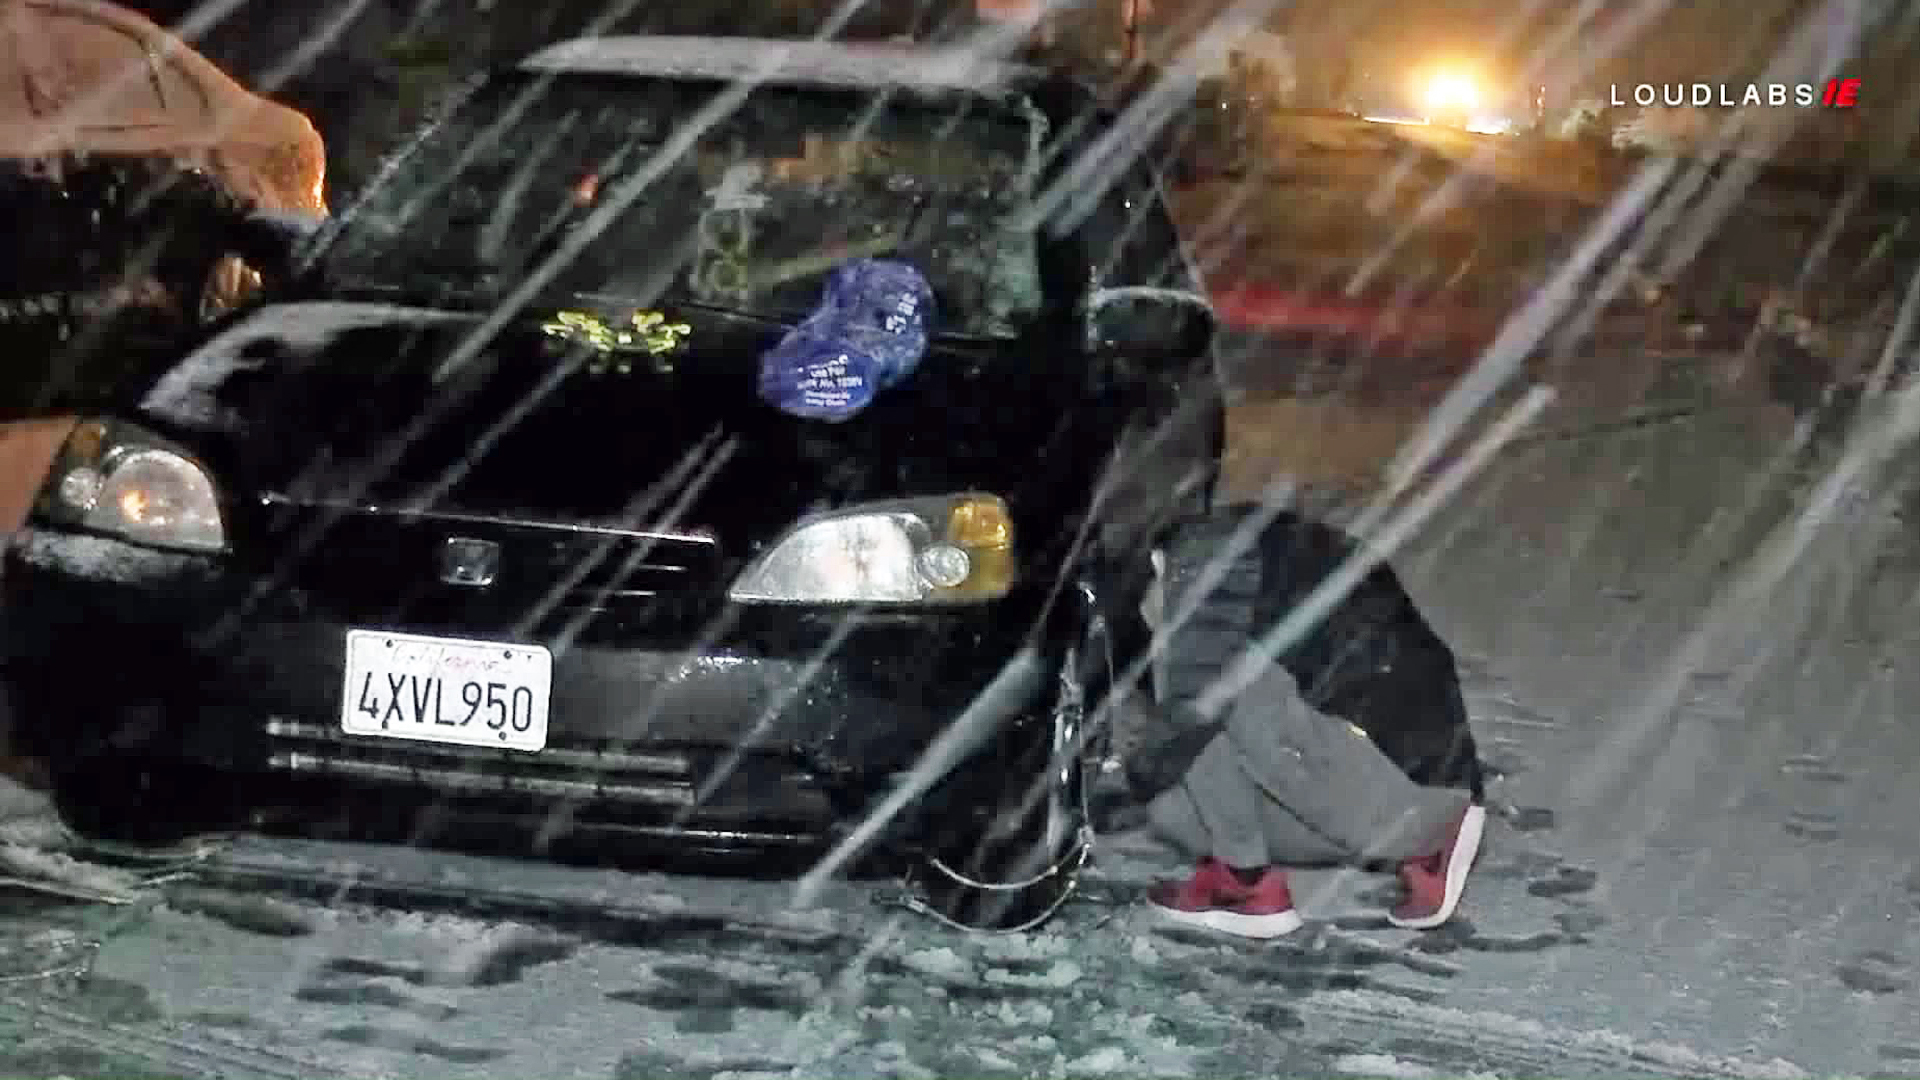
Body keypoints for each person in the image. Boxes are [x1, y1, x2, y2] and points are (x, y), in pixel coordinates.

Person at [1119, 503, 1488, 939]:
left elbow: (1192, 712)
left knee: (1185, 738)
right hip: (1431, 782)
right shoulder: (1271, 544)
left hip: (1400, 797)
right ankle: (1419, 845)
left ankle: (1245, 884)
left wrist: (1141, 772)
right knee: (1190, 774)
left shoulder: (1200, 561)